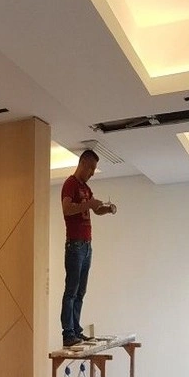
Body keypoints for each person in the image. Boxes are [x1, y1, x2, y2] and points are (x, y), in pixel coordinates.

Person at [60, 149, 115, 348]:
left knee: (80, 291)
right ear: (82, 163)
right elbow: (67, 209)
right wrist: (89, 204)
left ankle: (76, 329)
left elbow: (94, 209)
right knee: (71, 290)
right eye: (90, 168)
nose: (92, 173)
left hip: (86, 245)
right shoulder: (70, 184)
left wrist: (106, 209)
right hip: (75, 244)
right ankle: (68, 333)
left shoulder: (86, 188)